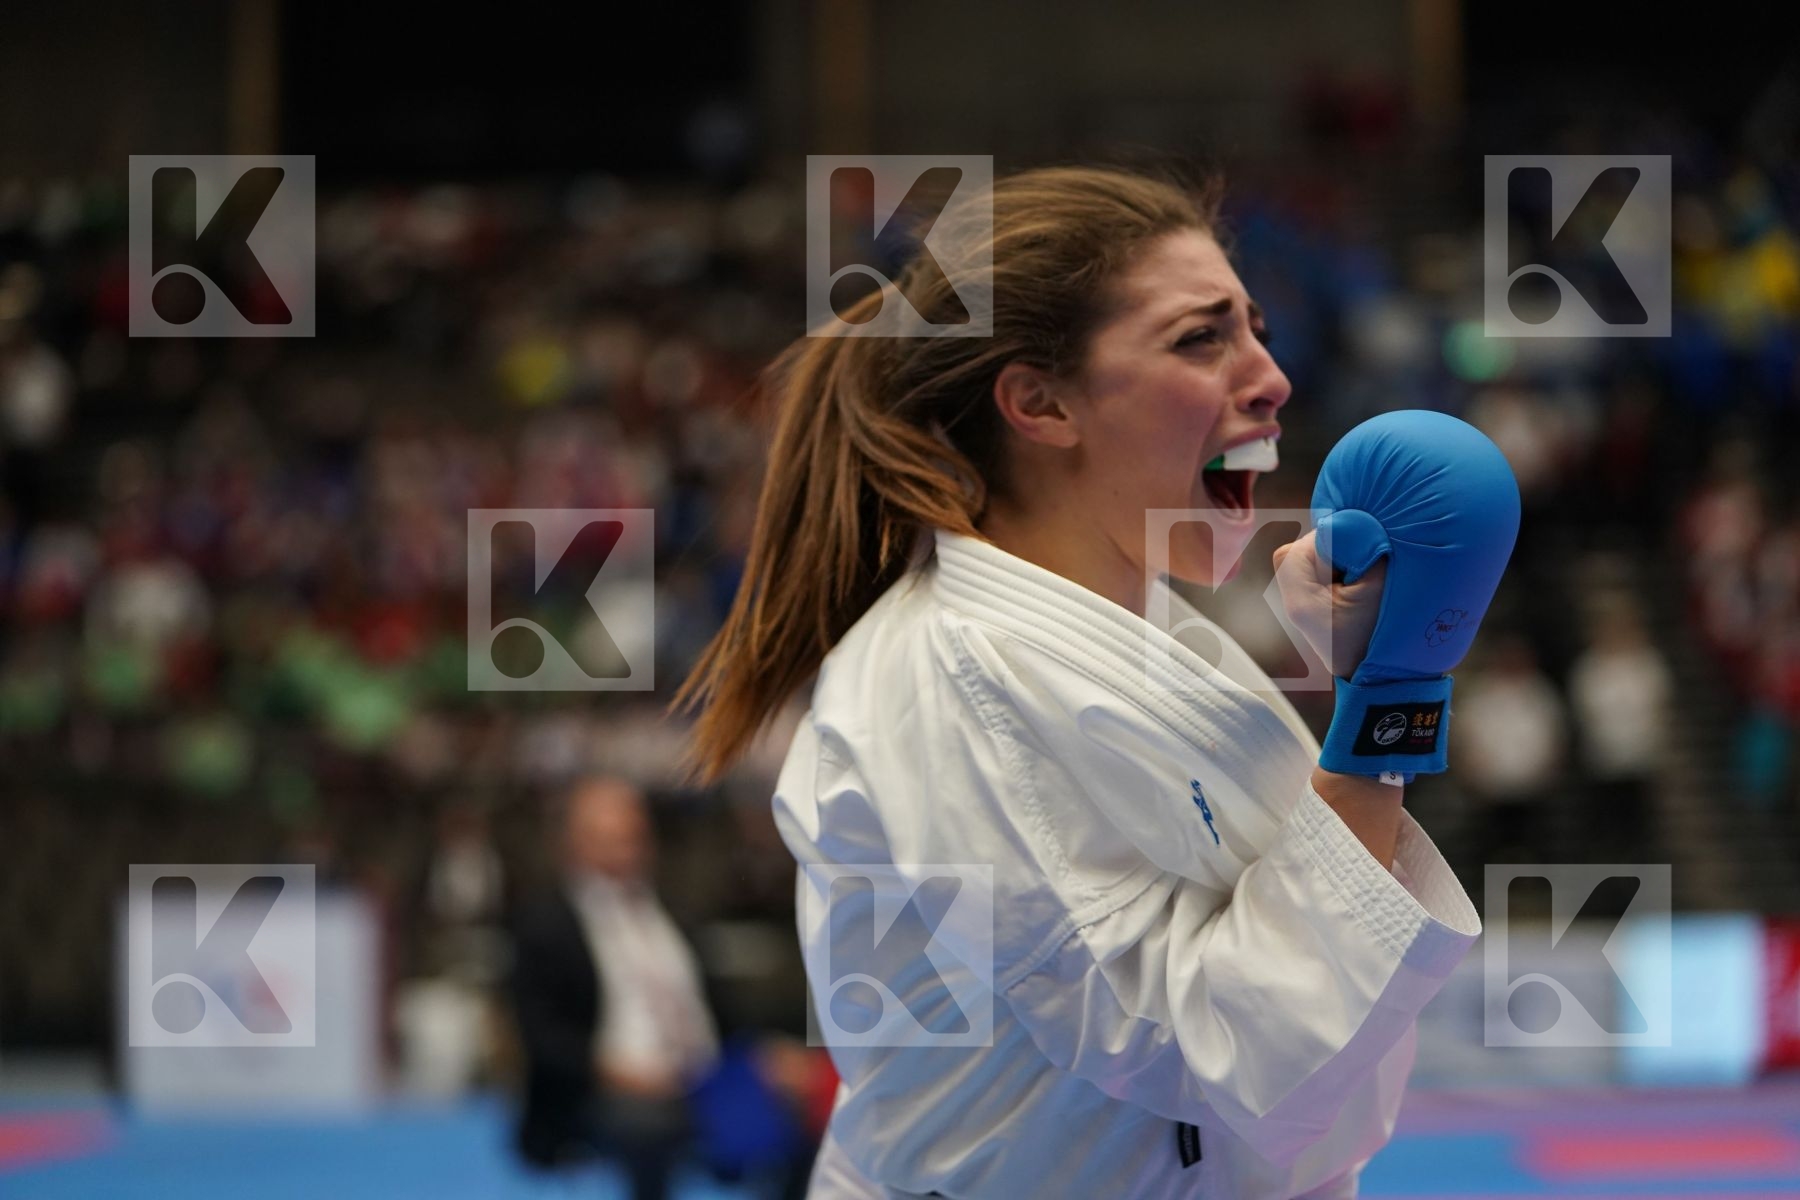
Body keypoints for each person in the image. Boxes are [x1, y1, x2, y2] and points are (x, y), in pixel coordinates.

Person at [675, 167, 1499, 1198]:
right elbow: (1216, 1050)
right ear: (1040, 401)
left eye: (1257, 329)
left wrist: (1382, 687)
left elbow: (1310, 1058)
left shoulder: (1143, 636)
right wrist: (1387, 698)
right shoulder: (957, 675)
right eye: (1202, 338)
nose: (1272, 377)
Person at [508, 775, 721, 1199]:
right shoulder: (547, 925)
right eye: (608, 839)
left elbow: (722, 1008)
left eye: (634, 838)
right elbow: (543, 1037)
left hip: (702, 1078)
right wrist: (619, 1074)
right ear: (571, 844)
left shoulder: (675, 915)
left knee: (806, 1117)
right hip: (605, 1090)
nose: (625, 852)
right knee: (650, 1124)